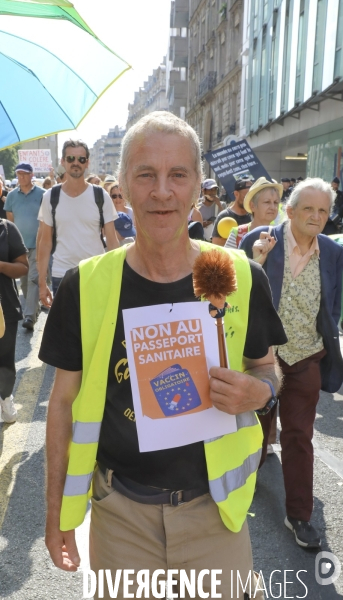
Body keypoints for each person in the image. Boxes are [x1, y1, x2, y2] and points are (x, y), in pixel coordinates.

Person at [40, 111, 286, 600]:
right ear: (124, 188)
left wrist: (259, 391)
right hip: (120, 517)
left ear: (199, 185)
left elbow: (268, 369)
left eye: (178, 174)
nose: (162, 191)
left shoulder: (239, 275)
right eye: (145, 175)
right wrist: (55, 516)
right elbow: (62, 406)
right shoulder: (84, 285)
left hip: (217, 514)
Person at [240, 178, 343, 549]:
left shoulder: (332, 252)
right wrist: (256, 260)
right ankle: (237, 494)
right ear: (290, 211)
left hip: (306, 358)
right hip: (263, 357)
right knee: (254, 431)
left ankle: (299, 515)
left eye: (323, 211)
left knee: (299, 436)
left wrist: (323, 341)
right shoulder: (262, 239)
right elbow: (236, 293)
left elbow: (332, 305)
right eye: (309, 209)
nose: (316, 217)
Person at [38, 140, 119, 306]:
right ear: (63, 161)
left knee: (96, 329)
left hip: (96, 272)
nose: (76, 163)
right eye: (71, 158)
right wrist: (41, 282)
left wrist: (118, 276)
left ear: (87, 163)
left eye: (81, 159)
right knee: (65, 330)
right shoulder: (50, 197)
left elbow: (112, 240)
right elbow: (45, 242)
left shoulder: (100, 195)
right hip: (62, 274)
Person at [4, 162, 43, 331]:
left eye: (25, 174)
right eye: (19, 174)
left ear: (31, 175)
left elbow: (47, 221)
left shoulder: (43, 194)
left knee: (34, 279)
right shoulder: (12, 196)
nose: (21, 177)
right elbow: (9, 222)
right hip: (20, 248)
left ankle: (28, 315)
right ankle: (33, 309)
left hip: (37, 244)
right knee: (25, 283)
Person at [0, 218, 28, 422]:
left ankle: (5, 397)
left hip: (5, 307)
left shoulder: (7, 229)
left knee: (5, 358)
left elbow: (22, 267)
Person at [225, 178, 282, 248]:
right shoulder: (238, 234)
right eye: (267, 202)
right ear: (252, 206)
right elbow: (226, 259)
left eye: (276, 202)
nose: (273, 207)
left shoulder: (281, 235)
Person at [212, 178, 252, 246]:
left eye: (251, 196)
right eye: (246, 196)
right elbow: (215, 242)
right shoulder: (224, 216)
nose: (249, 200)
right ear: (236, 194)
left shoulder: (254, 216)